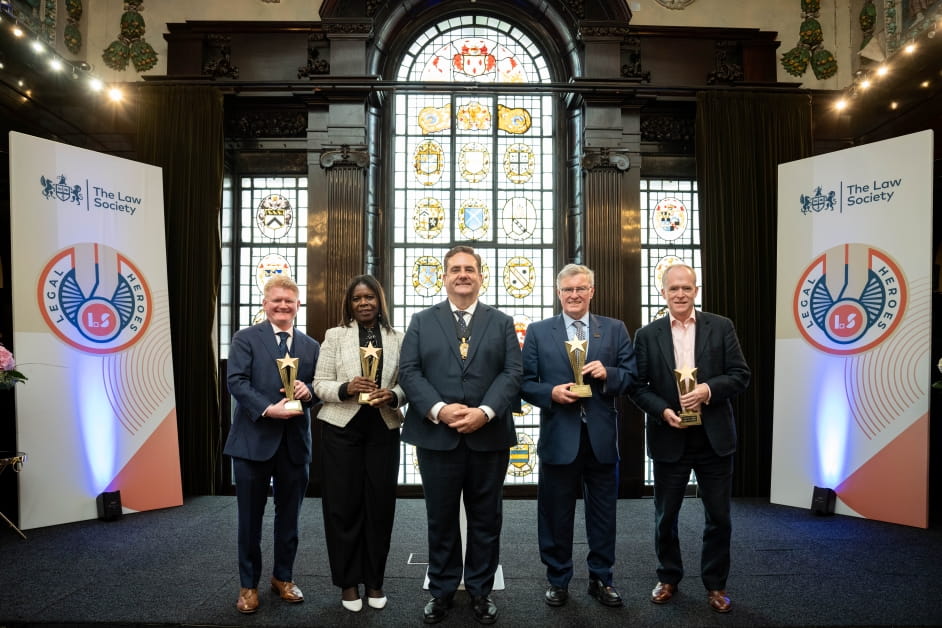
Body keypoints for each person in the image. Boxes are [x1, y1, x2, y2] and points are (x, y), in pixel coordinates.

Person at [399, 245, 522, 626]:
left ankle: (481, 591)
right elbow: (409, 371)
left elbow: (512, 372)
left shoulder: (501, 322)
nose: (463, 274)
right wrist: (439, 409)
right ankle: (442, 591)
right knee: (441, 518)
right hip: (437, 436)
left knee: (487, 518)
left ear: (481, 277)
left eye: (470, 268)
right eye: (455, 269)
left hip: (489, 436)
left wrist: (485, 412)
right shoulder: (422, 321)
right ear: (445, 277)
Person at [629, 264, 750, 614]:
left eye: (686, 287)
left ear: (696, 290)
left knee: (719, 518)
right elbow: (637, 386)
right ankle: (668, 578)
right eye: (673, 288)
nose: (680, 294)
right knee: (665, 516)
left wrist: (708, 390)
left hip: (714, 439)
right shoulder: (646, 335)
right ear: (663, 293)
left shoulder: (721, 326)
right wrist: (663, 411)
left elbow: (740, 374)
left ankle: (716, 585)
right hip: (670, 436)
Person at [520, 263, 638, 609]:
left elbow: (632, 376)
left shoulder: (614, 329)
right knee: (555, 513)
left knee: (603, 514)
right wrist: (551, 393)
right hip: (559, 436)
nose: (574, 295)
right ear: (559, 293)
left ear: (592, 292)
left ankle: (602, 579)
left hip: (601, 438)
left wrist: (609, 372)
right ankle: (558, 580)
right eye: (568, 290)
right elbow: (524, 382)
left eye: (581, 289)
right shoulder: (539, 332)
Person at [223, 275, 320, 614]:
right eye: (276, 300)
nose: (282, 306)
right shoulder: (245, 338)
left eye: (289, 301)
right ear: (265, 304)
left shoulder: (311, 346)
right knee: (250, 519)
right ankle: (248, 585)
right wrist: (268, 409)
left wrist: (309, 392)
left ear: (298, 305)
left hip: (294, 445)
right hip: (253, 443)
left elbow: (318, 388)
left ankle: (283, 578)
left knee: (289, 518)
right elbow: (236, 381)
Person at [313, 275, 406, 613]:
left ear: (380, 301)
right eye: (357, 299)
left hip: (383, 429)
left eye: (370, 297)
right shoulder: (335, 336)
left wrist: (392, 395)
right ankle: (349, 583)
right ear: (349, 304)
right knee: (343, 507)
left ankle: (375, 581)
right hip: (342, 430)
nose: (364, 303)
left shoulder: (399, 338)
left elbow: (408, 384)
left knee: (380, 508)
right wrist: (346, 388)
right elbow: (319, 384)